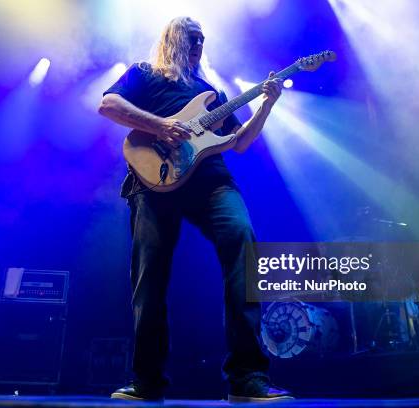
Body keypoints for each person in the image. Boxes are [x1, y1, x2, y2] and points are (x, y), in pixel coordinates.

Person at [99, 16, 291, 402]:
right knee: (149, 275)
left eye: (203, 39)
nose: (199, 45)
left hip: (211, 181)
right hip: (155, 180)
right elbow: (109, 105)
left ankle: (247, 376)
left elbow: (239, 143)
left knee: (243, 241)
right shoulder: (145, 74)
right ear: (174, 38)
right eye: (192, 37)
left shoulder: (212, 93)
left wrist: (266, 106)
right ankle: (146, 380)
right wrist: (160, 126)